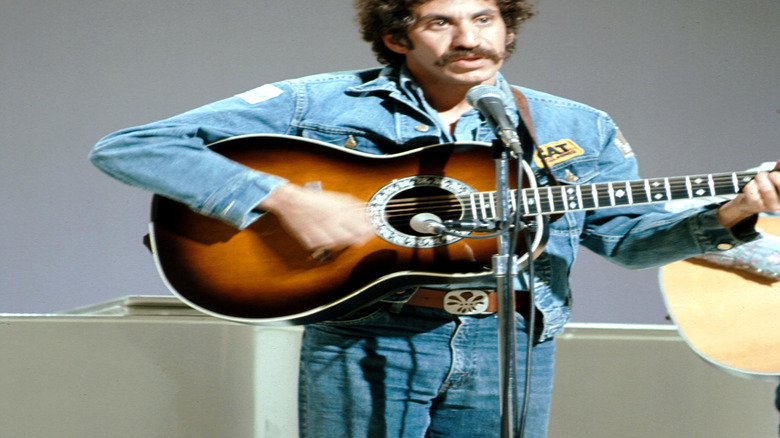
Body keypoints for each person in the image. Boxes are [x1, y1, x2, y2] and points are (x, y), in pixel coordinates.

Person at [89, 0, 780, 436]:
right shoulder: (318, 103)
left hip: (510, 340)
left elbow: (628, 242)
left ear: (509, 27)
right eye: (440, 22)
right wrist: (283, 198)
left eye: (484, 19)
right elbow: (130, 147)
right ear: (397, 36)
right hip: (368, 334)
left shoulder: (574, 126)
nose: (468, 38)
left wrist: (739, 208)